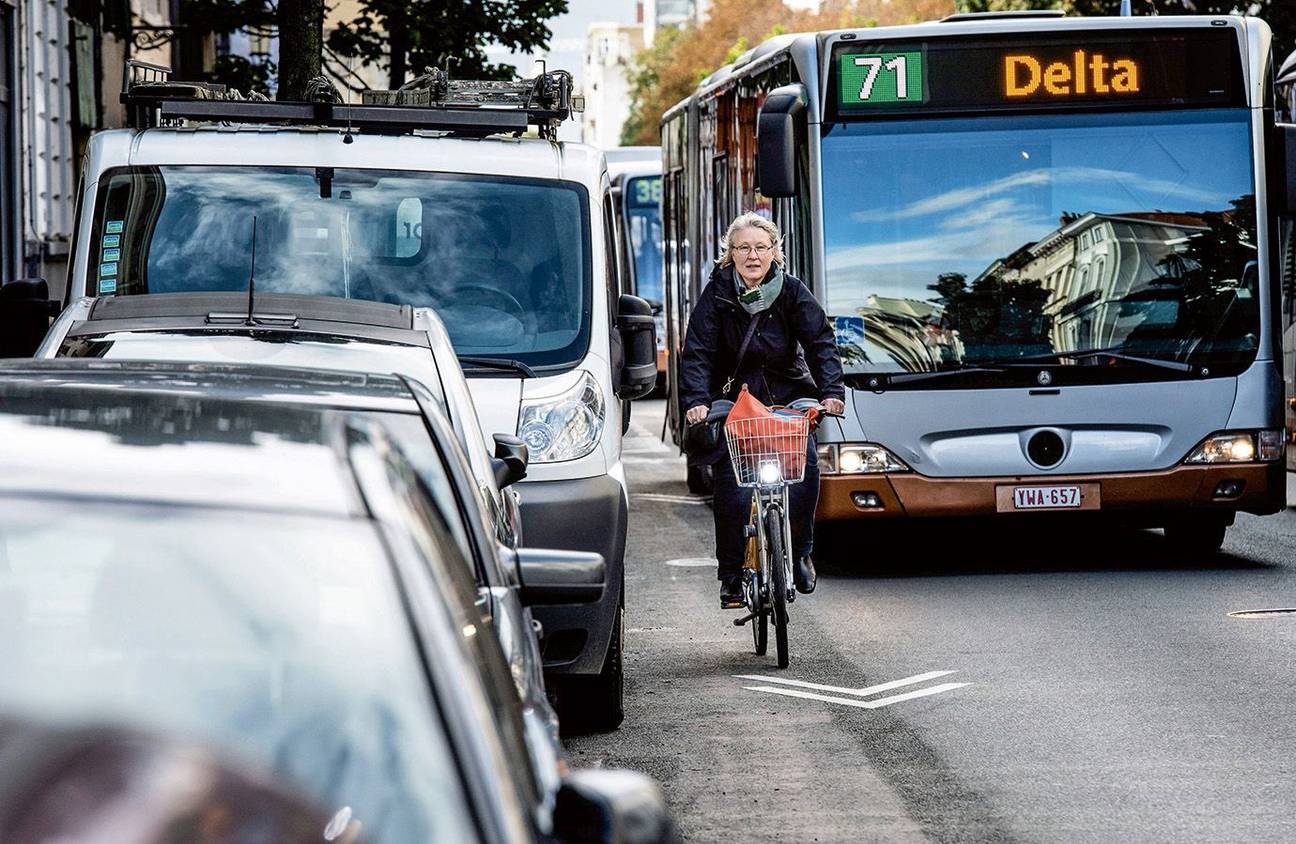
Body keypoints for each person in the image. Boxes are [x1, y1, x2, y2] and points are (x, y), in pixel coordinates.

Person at [680, 212, 845, 609]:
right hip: (735, 399)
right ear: (729, 255)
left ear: (775, 252)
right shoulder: (717, 294)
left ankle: (802, 552)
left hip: (788, 394)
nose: (752, 255)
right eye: (743, 248)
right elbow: (697, 352)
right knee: (732, 489)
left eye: (760, 247)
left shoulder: (791, 291)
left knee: (805, 465)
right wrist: (697, 402)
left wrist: (831, 391)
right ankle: (732, 577)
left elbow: (820, 340)